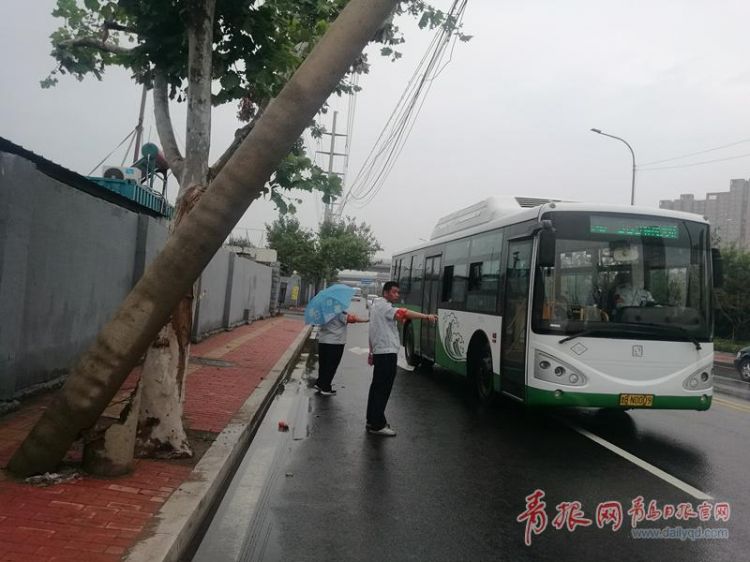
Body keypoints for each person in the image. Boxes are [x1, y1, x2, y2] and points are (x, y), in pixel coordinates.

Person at [366, 281, 438, 436]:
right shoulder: (385, 306)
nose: (397, 295)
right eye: (394, 292)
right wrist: (426, 316)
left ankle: (372, 420)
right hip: (386, 354)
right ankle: (377, 425)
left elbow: (372, 331)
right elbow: (404, 313)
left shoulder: (376, 306)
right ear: (385, 292)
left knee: (376, 388)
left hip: (380, 352)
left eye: (398, 292)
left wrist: (371, 352)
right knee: (382, 389)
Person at [315, 309, 368, 396]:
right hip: (335, 341)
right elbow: (350, 319)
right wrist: (367, 319)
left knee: (323, 364)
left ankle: (320, 383)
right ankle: (325, 388)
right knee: (331, 366)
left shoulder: (322, 309)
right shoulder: (337, 309)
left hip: (323, 340)